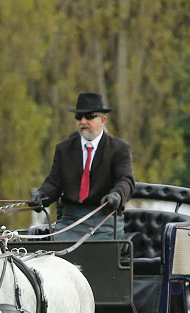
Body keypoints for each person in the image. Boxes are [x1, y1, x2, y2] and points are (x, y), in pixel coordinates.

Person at [29, 92, 135, 241]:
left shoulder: (119, 148)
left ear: (103, 120)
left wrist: (117, 195)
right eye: (78, 117)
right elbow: (54, 182)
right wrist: (40, 196)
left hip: (105, 221)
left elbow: (126, 180)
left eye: (89, 116)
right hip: (70, 222)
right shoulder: (64, 149)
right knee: (54, 255)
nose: (83, 121)